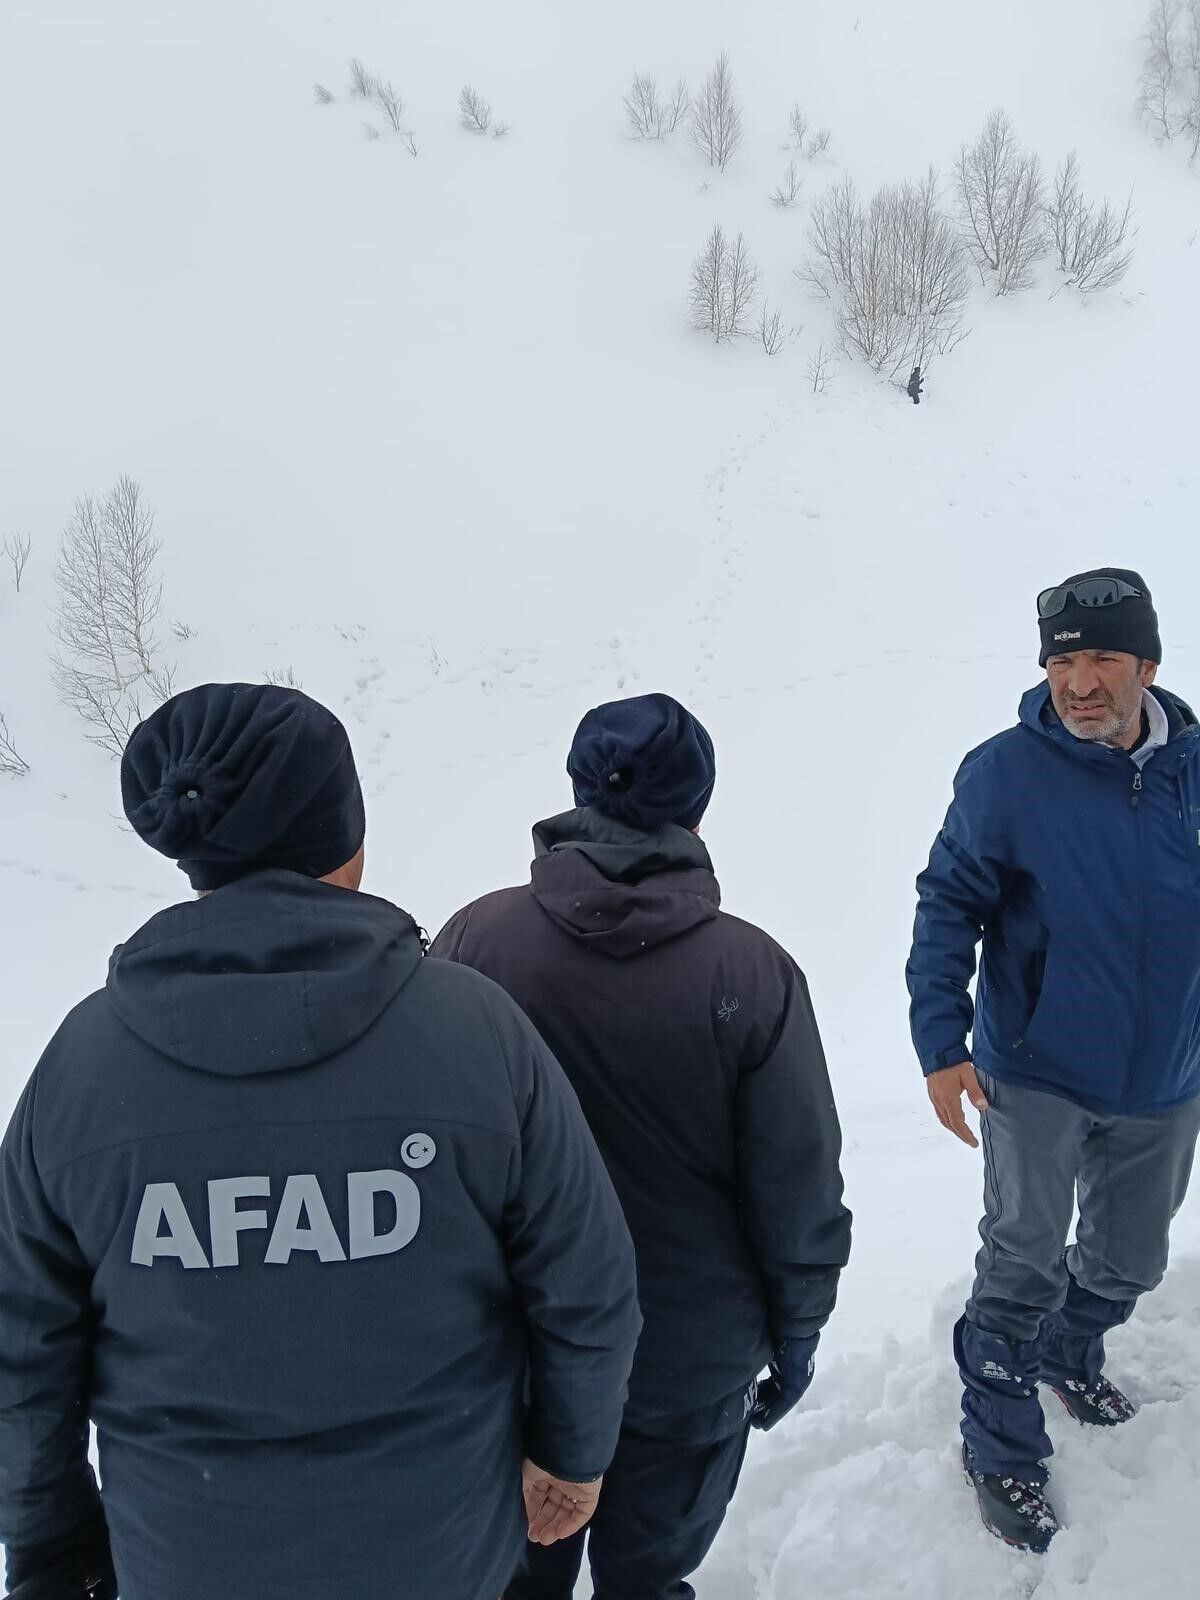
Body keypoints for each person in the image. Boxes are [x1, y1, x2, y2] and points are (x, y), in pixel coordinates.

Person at [0, 683, 641, 1600]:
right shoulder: (475, 1032)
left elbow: (19, 1343)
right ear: (345, 836)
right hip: (440, 1551)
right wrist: (570, 1454)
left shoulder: (83, 1065)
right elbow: (587, 1284)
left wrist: (49, 1540)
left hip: (187, 1558)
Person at [431, 691, 852, 1600]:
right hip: (689, 1358)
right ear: (696, 806)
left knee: (511, 1582)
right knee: (649, 1579)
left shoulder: (475, 942)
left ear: (581, 789)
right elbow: (797, 1185)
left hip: (517, 1354)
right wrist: (797, 1329)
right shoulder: (753, 972)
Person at [907, 569, 1200, 1553]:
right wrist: (941, 1043)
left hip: (1166, 1074)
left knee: (1130, 1259)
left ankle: (1070, 1352)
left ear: (1146, 665)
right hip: (1036, 1069)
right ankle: (1000, 1448)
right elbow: (949, 904)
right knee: (1021, 1261)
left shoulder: (1194, 769)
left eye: (1101, 659)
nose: (1078, 683)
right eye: (1061, 662)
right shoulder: (1006, 774)